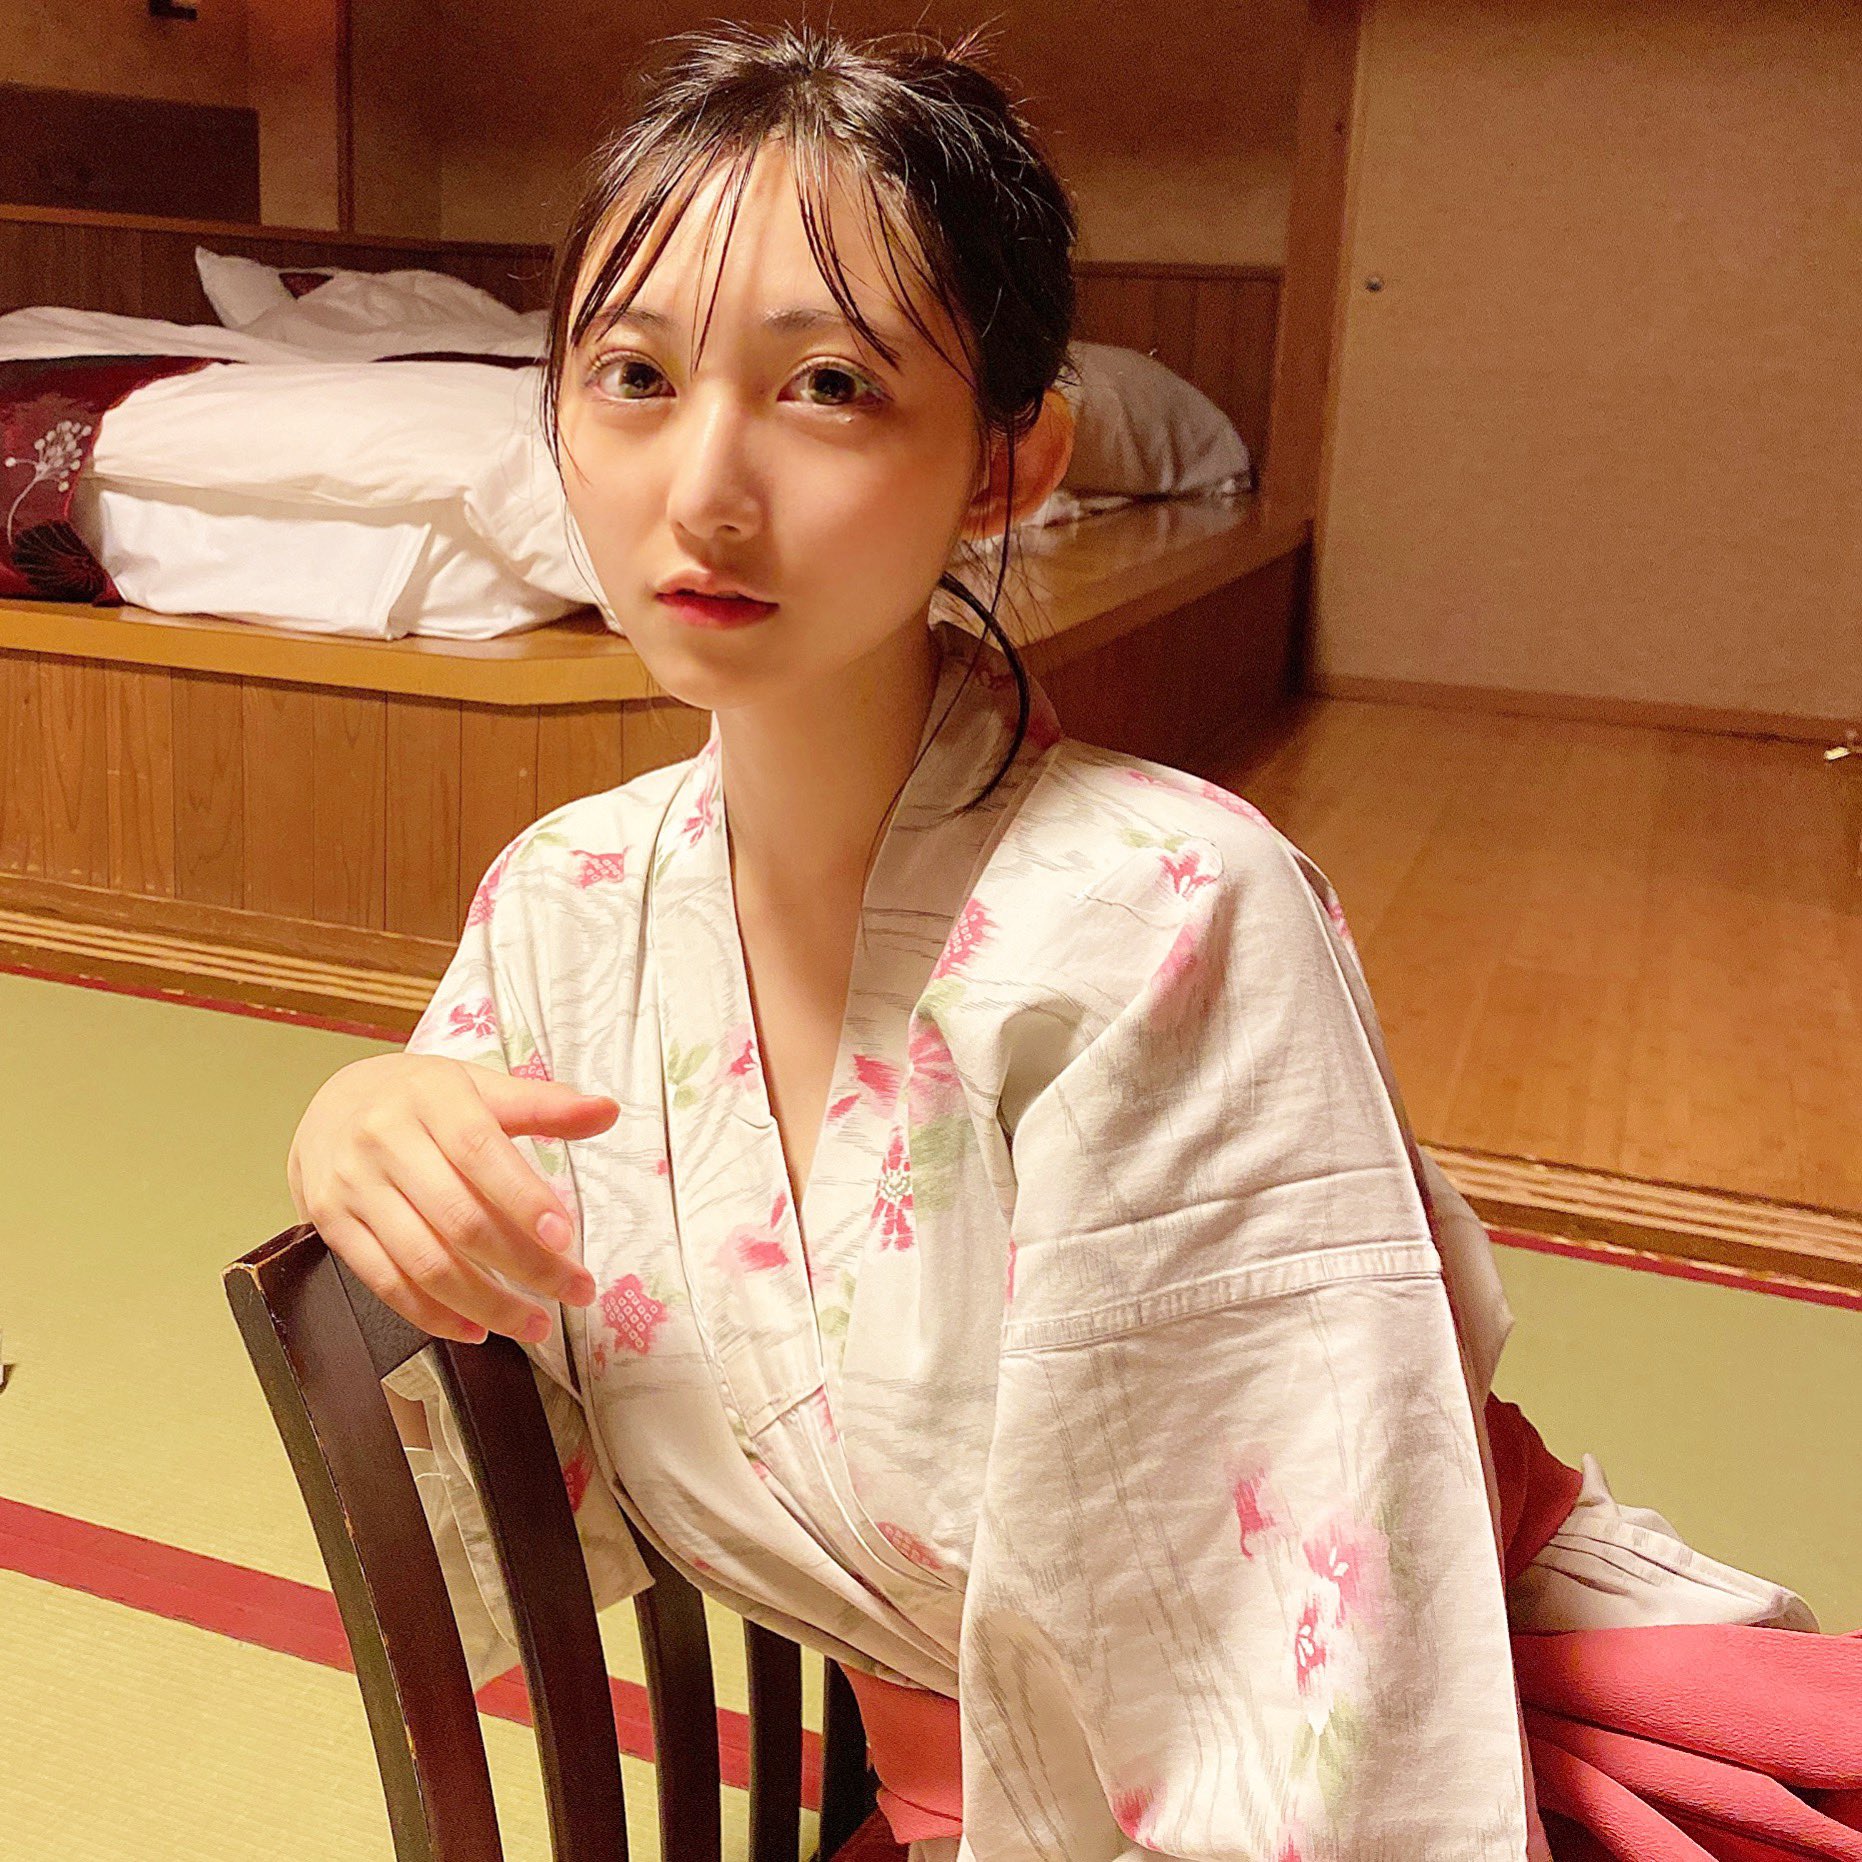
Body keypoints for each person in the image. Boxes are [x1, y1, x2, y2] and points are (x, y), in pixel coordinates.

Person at [287, 25, 1856, 1862]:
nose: (702, 486)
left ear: (1005, 464)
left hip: (1422, 1755)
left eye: (827, 385)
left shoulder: (1170, 912)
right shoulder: (562, 900)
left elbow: (1300, 1698)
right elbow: (510, 1432)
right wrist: (352, 1123)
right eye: (632, 373)